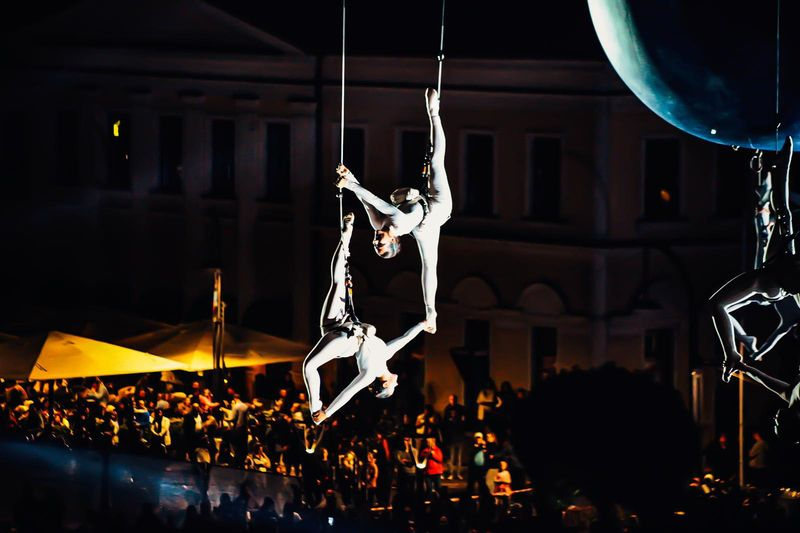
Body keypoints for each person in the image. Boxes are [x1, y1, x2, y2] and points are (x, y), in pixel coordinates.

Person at [336, 88, 451, 333]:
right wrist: (350, 185)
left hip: (418, 204)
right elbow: (381, 204)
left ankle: (432, 313)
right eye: (381, 246)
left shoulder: (379, 225)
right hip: (436, 211)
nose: (376, 241)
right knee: (434, 163)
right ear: (394, 241)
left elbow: (367, 203)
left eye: (375, 246)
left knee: (400, 194)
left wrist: (350, 178)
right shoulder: (399, 224)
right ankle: (435, 114)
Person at [302, 213, 428, 424]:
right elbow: (405, 338)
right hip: (342, 324)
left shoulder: (369, 374)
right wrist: (422, 325)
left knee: (309, 366)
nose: (397, 384)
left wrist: (327, 412)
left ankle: (314, 409)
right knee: (337, 281)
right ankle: (345, 237)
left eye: (393, 388)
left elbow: (347, 393)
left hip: (345, 339)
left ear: (386, 385)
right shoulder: (385, 354)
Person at [710, 137, 800, 382]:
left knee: (773, 223)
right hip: (773, 281)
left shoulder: (768, 278)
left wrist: (783, 165)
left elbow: (782, 209)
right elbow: (782, 210)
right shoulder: (780, 265)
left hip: (771, 281)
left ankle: (744, 342)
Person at [443, 394, 466, 480]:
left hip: (460, 436)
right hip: (451, 438)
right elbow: (444, 423)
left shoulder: (461, 408)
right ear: (449, 400)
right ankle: (452, 473)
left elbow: (464, 420)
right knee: (452, 457)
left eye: (454, 399)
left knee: (459, 457)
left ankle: (459, 473)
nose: (452, 401)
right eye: (451, 399)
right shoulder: (447, 409)